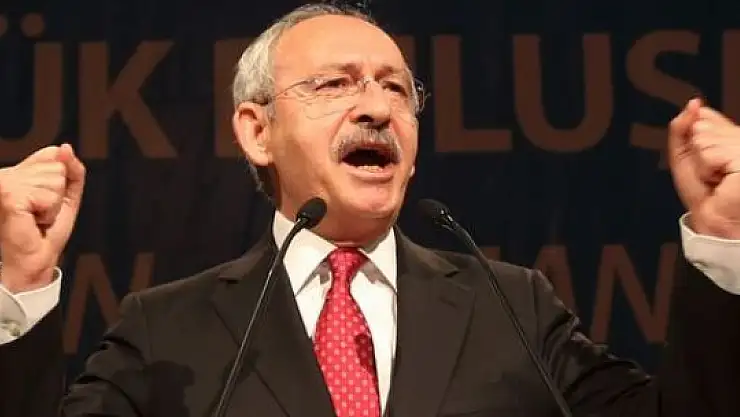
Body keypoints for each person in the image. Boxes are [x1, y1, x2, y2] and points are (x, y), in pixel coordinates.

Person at [1, 3, 740, 417]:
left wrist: (723, 241)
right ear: (256, 132)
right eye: (335, 85)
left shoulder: (514, 306)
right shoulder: (166, 328)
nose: (376, 109)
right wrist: (19, 287)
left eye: (396, 89)